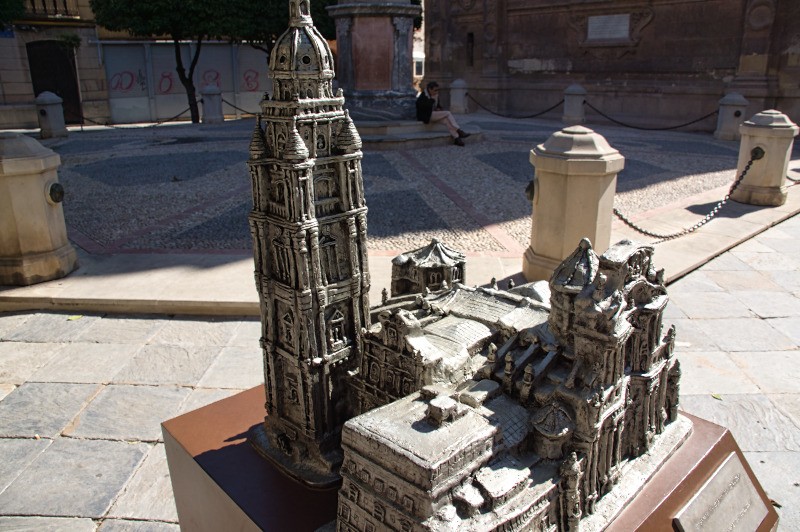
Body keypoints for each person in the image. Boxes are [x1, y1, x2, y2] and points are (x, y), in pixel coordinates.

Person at [416, 81, 471, 146]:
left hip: (434, 115)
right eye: (435, 90)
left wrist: (439, 108)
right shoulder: (423, 96)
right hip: (426, 116)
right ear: (430, 89)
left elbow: (438, 106)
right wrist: (432, 100)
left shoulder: (435, 95)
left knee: (447, 121)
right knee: (448, 113)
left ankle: (457, 138)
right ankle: (459, 130)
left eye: (438, 90)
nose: (437, 92)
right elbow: (424, 107)